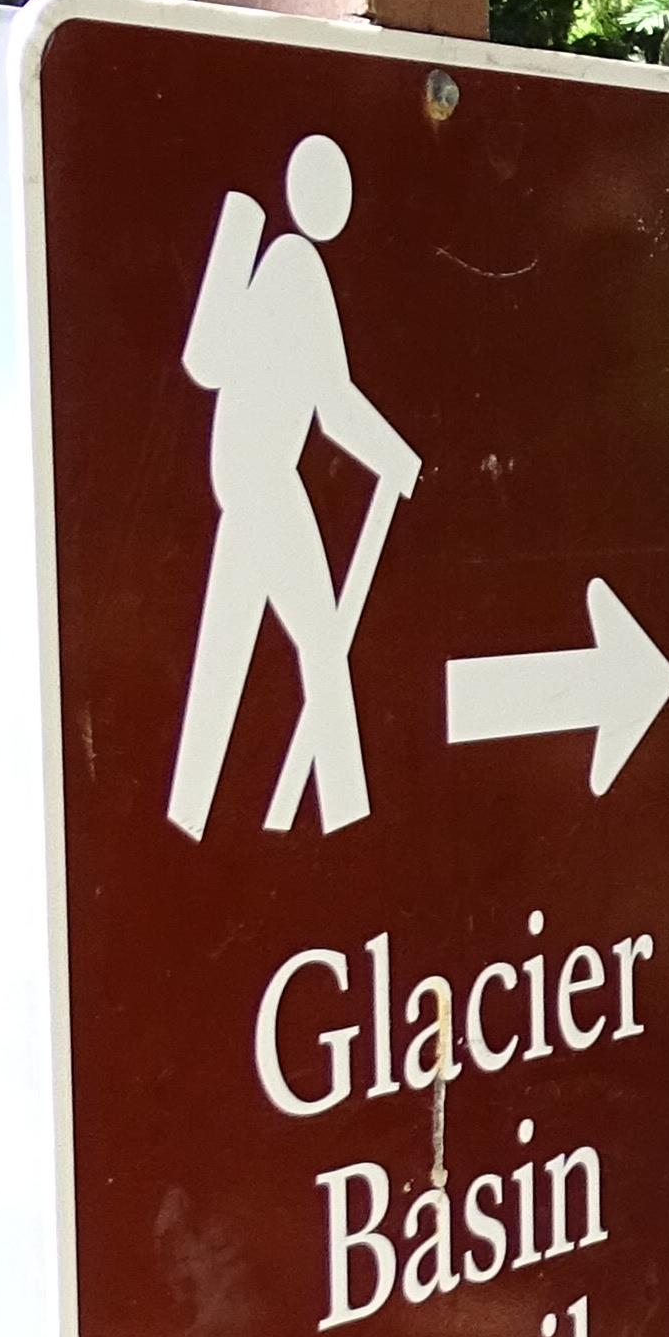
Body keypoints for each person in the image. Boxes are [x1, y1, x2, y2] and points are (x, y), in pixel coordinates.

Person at [164, 133, 421, 838]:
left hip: (245, 487)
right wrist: (398, 460)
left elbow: (322, 398)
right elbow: (332, 398)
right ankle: (348, 815)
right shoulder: (296, 266)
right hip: (268, 488)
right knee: (319, 642)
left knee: (227, 653)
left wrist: (392, 458)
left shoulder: (278, 267)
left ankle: (188, 817)